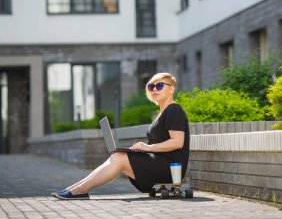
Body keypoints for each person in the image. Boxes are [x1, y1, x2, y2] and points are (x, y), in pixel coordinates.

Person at [52, 72, 189, 200]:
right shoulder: (162, 112)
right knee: (116, 156)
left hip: (170, 168)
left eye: (159, 86)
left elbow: (177, 142)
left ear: (171, 89)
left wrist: (147, 147)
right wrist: (143, 149)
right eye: (151, 86)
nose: (154, 89)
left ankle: (79, 191)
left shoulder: (174, 110)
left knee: (119, 158)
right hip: (159, 163)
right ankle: (75, 188)